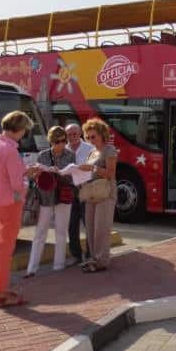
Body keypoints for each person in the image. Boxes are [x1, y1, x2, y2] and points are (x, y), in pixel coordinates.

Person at [0, 111, 40, 308]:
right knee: (5, 249)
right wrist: (29, 176)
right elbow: (17, 183)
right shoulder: (10, 150)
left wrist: (23, 172)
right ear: (18, 129)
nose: (25, 133)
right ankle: (0, 293)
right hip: (9, 203)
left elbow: (2, 174)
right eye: (25, 129)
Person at [25, 126, 75, 278]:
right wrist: (39, 172)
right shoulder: (42, 155)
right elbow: (35, 178)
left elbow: (72, 176)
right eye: (57, 141)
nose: (60, 144)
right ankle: (31, 269)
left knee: (61, 231)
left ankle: (58, 266)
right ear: (51, 141)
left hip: (63, 195)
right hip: (45, 197)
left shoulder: (70, 155)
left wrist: (57, 172)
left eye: (63, 141)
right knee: (40, 232)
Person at [77, 119, 118, 273]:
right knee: (91, 227)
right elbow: (89, 172)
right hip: (91, 192)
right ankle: (94, 258)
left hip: (105, 193)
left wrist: (93, 167)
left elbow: (110, 174)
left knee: (102, 227)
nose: (90, 140)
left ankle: (101, 261)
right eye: (88, 137)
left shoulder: (109, 150)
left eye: (93, 137)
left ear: (102, 135)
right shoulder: (92, 151)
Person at [66, 123, 93, 264]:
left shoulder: (89, 148)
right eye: (69, 134)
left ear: (80, 134)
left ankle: (90, 254)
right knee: (72, 224)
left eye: (74, 134)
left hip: (85, 188)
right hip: (70, 190)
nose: (72, 137)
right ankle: (76, 255)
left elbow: (95, 167)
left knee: (88, 222)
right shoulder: (64, 149)